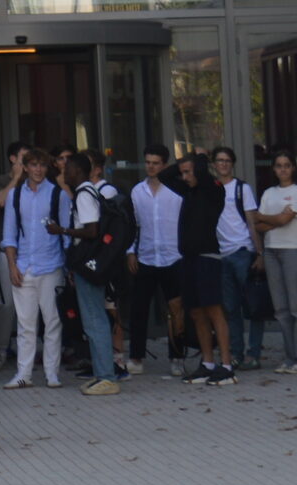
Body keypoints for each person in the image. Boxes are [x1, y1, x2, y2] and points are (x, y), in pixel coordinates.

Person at [0, 148, 66, 390]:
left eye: (42, 165)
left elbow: (66, 233)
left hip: (52, 264)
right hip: (25, 264)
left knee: (53, 321)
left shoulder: (58, 194)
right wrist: (12, 266)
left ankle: (52, 373)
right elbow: (9, 235)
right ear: (25, 167)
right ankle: (23, 373)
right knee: (26, 324)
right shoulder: (16, 195)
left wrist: (68, 266)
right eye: (34, 165)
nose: (38, 170)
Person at [57, 153, 122, 395]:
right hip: (90, 264)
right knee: (93, 318)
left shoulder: (84, 194)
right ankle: (101, 373)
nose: (64, 174)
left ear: (77, 170)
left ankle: (106, 376)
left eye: (67, 169)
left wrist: (61, 229)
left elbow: (92, 230)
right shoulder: (89, 192)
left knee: (94, 319)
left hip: (89, 264)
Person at [254, 149, 297, 376]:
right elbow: (257, 225)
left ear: (293, 168)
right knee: (281, 310)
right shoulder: (269, 193)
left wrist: (269, 219)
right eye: (279, 165)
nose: (283, 169)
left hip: (293, 250)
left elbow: (283, 219)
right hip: (271, 251)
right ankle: (291, 357)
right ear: (273, 169)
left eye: (287, 165)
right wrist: (276, 219)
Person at [173, 153, 235, 384]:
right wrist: (183, 164)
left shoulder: (213, 189)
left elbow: (205, 179)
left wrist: (198, 162)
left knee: (213, 309)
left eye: (189, 172)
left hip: (207, 257)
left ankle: (227, 365)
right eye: (183, 173)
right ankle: (207, 363)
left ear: (199, 171)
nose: (184, 177)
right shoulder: (188, 191)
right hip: (188, 257)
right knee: (196, 311)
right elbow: (165, 176)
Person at [127, 147, 186, 375]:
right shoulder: (137, 191)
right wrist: (130, 251)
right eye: (148, 162)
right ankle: (136, 357)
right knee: (139, 309)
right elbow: (134, 225)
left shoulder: (176, 192)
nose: (151, 166)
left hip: (173, 257)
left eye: (155, 162)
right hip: (147, 256)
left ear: (164, 165)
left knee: (176, 310)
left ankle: (177, 357)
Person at [211, 146, 264, 369]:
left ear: (232, 163)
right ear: (213, 164)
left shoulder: (242, 189)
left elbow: (251, 221)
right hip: (221, 255)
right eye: (219, 160)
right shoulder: (211, 189)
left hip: (242, 251)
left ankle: (253, 353)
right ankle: (236, 353)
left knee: (253, 306)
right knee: (230, 308)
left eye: (226, 160)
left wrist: (259, 252)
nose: (223, 164)